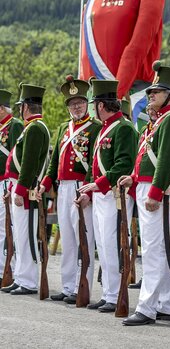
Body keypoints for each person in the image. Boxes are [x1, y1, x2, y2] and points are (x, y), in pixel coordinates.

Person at [119, 61, 170, 326]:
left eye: (156, 92)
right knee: (159, 248)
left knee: (153, 249)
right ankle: (168, 303)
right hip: (147, 186)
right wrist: (134, 177)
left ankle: (147, 307)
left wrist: (155, 192)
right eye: (150, 92)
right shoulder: (158, 122)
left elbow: (168, 159)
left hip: (157, 190)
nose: (150, 95)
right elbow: (146, 157)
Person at [36, 76, 101, 304]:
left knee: (83, 237)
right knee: (68, 239)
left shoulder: (95, 128)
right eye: (72, 103)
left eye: (80, 102)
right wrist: (44, 184)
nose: (76, 106)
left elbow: (95, 162)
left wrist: (88, 191)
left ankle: (81, 287)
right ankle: (67, 285)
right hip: (62, 188)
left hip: (81, 187)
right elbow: (54, 163)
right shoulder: (64, 127)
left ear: (87, 103)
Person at [78, 79, 138, 312]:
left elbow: (124, 164)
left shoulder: (123, 128)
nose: (94, 109)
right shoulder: (105, 128)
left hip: (115, 194)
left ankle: (116, 295)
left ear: (102, 105)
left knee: (114, 244)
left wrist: (98, 184)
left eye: (95, 104)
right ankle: (109, 293)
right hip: (102, 194)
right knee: (103, 245)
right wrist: (90, 189)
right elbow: (95, 165)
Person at [1, 84, 50, 295]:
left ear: (25, 107)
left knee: (26, 235)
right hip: (18, 186)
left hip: (27, 189)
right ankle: (21, 277)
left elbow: (29, 163)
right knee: (19, 235)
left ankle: (28, 281)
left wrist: (19, 190)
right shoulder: (31, 127)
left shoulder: (36, 128)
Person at [0, 89, 23, 284]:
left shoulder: (14, 125)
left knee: (6, 227)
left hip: (6, 181)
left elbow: (17, 156)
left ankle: (7, 269)